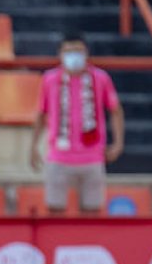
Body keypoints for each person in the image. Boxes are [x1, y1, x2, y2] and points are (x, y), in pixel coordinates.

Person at [29, 33, 125, 215]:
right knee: (55, 210)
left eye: (78, 51)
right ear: (60, 54)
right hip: (59, 155)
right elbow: (41, 114)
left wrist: (118, 143)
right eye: (69, 51)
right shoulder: (50, 79)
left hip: (92, 155)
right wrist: (33, 146)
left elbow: (115, 109)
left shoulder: (100, 78)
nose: (74, 56)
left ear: (87, 53)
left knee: (91, 211)